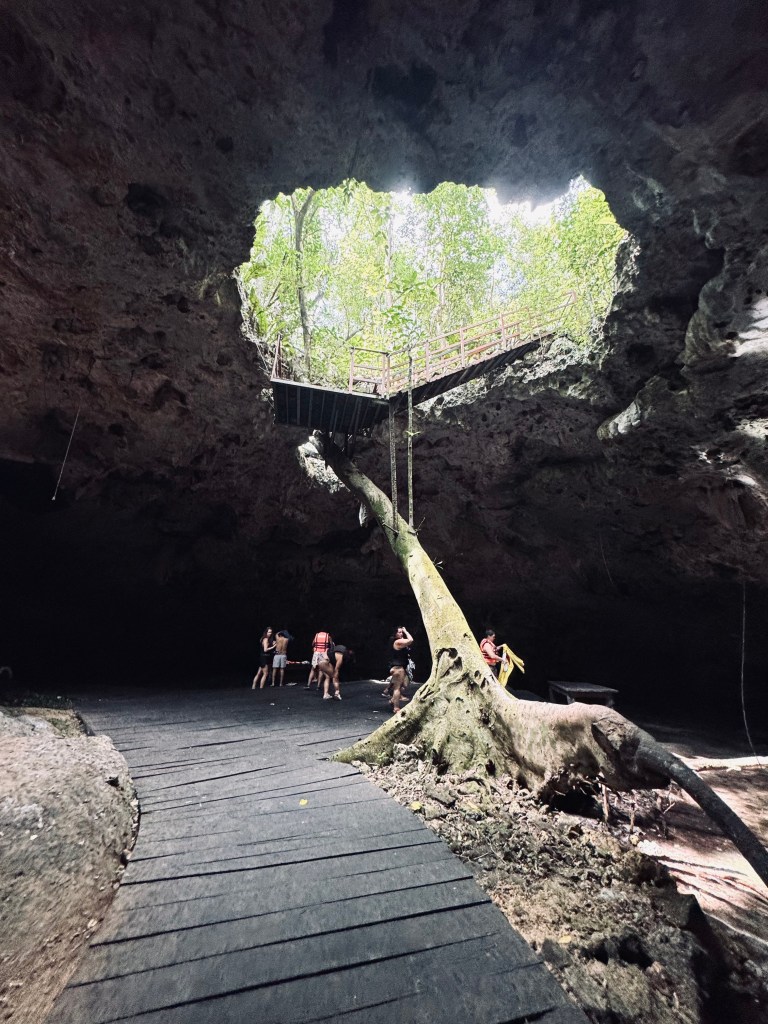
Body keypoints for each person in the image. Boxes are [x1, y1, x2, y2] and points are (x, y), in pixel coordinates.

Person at [387, 626, 413, 713]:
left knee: (403, 685)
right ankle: (396, 708)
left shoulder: (395, 641)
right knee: (397, 688)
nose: (401, 634)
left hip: (398, 668)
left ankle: (392, 700)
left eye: (402, 632)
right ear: (395, 633)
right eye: (399, 632)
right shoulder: (397, 642)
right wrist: (406, 631)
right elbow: (410, 640)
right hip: (398, 668)